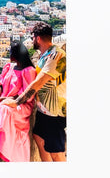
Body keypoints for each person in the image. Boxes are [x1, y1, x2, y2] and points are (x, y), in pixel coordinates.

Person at [7, 22, 66, 161]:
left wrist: (17, 102)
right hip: (43, 109)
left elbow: (39, 82)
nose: (32, 40)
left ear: (38, 38)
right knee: (38, 137)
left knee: (56, 151)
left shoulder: (56, 55)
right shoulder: (45, 55)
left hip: (55, 110)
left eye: (33, 37)